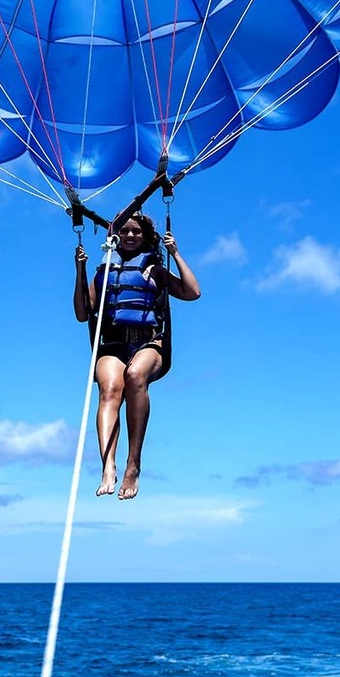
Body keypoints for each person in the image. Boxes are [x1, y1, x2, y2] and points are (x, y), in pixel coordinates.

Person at [74, 212, 200, 500]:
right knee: (108, 390)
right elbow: (83, 313)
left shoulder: (153, 268)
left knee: (134, 375)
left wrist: (174, 253)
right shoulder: (103, 273)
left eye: (137, 232)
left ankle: (133, 464)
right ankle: (108, 465)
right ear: (116, 236)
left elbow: (193, 292)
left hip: (149, 344)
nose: (130, 236)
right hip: (113, 345)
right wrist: (79, 270)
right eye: (126, 231)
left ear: (145, 237)